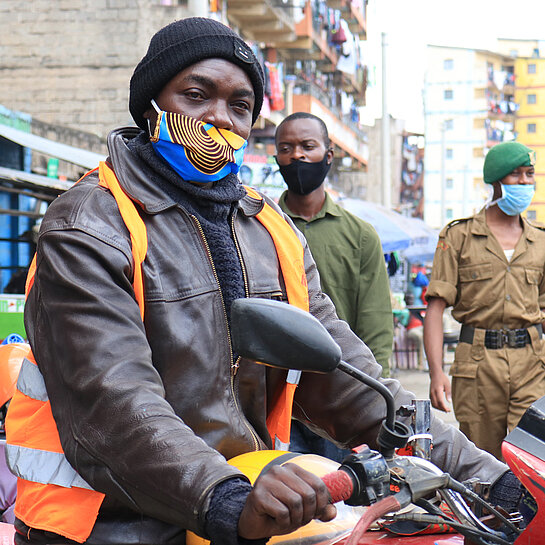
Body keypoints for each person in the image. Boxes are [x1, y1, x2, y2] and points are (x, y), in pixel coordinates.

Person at [4, 18, 524, 545]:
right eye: (195, 95)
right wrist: (224, 497)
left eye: (239, 106)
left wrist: (490, 478)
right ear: (150, 106)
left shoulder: (268, 229)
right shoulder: (89, 223)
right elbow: (113, 401)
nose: (216, 120)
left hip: (236, 509)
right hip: (109, 523)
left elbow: (347, 376)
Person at [274, 112, 393, 461]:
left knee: (340, 503)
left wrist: (371, 401)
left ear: (328, 155)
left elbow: (374, 323)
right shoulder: (259, 226)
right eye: (286, 148)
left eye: (308, 146)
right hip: (276, 395)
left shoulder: (359, 235)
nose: (297, 156)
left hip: (339, 393)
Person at [424, 141, 545, 460]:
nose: (524, 182)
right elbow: (435, 309)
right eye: (514, 175)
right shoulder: (459, 237)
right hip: (477, 365)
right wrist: (436, 372)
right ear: (495, 182)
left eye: (529, 174)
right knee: (481, 461)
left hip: (532, 362)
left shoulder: (541, 241)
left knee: (532, 455)